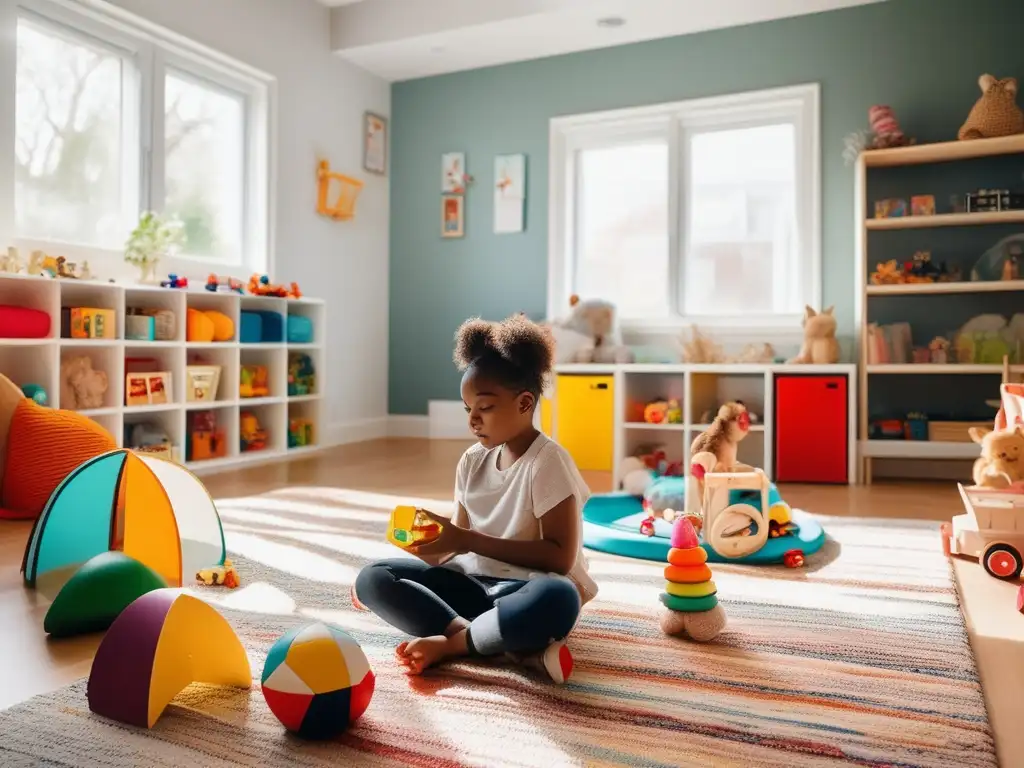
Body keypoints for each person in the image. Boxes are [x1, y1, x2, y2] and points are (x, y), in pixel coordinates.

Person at [353, 314, 597, 684]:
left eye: (485, 408)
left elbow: (560, 558)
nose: (473, 421)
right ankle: (502, 645)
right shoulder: (471, 460)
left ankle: (453, 645)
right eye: (468, 409)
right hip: (474, 587)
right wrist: (432, 543)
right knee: (372, 578)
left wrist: (464, 539)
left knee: (560, 596)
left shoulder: (547, 461)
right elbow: (459, 544)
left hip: (528, 589)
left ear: (524, 402)